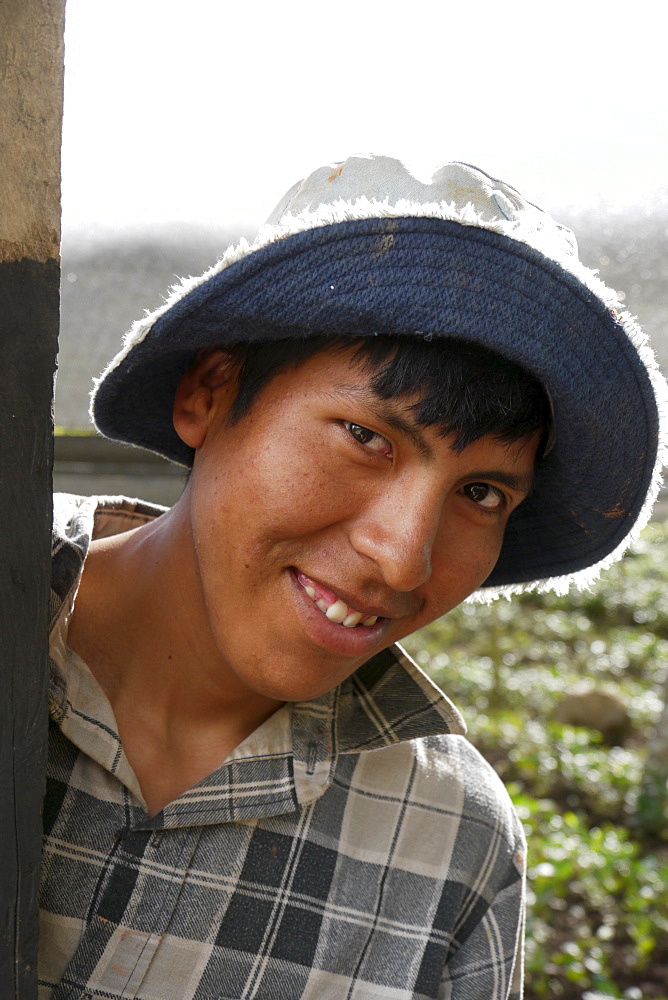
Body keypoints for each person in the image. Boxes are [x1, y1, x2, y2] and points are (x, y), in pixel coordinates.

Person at [42, 156, 666, 1000]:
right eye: (367, 437)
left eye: (480, 493)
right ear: (210, 392)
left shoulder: (452, 847)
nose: (404, 558)